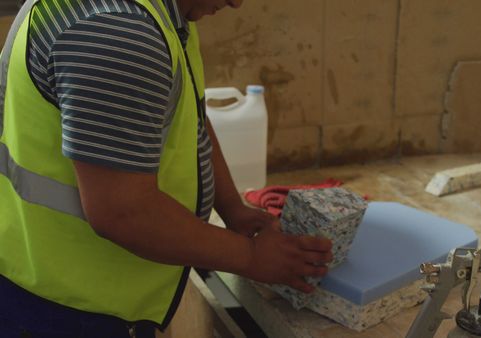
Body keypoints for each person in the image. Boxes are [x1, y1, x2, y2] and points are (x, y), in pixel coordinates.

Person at [0, 0, 333, 337]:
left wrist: (232, 206)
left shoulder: (160, 13)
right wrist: (251, 257)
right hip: (65, 313)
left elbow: (188, 118)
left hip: (63, 290)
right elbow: (125, 213)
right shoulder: (118, 32)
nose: (237, 2)